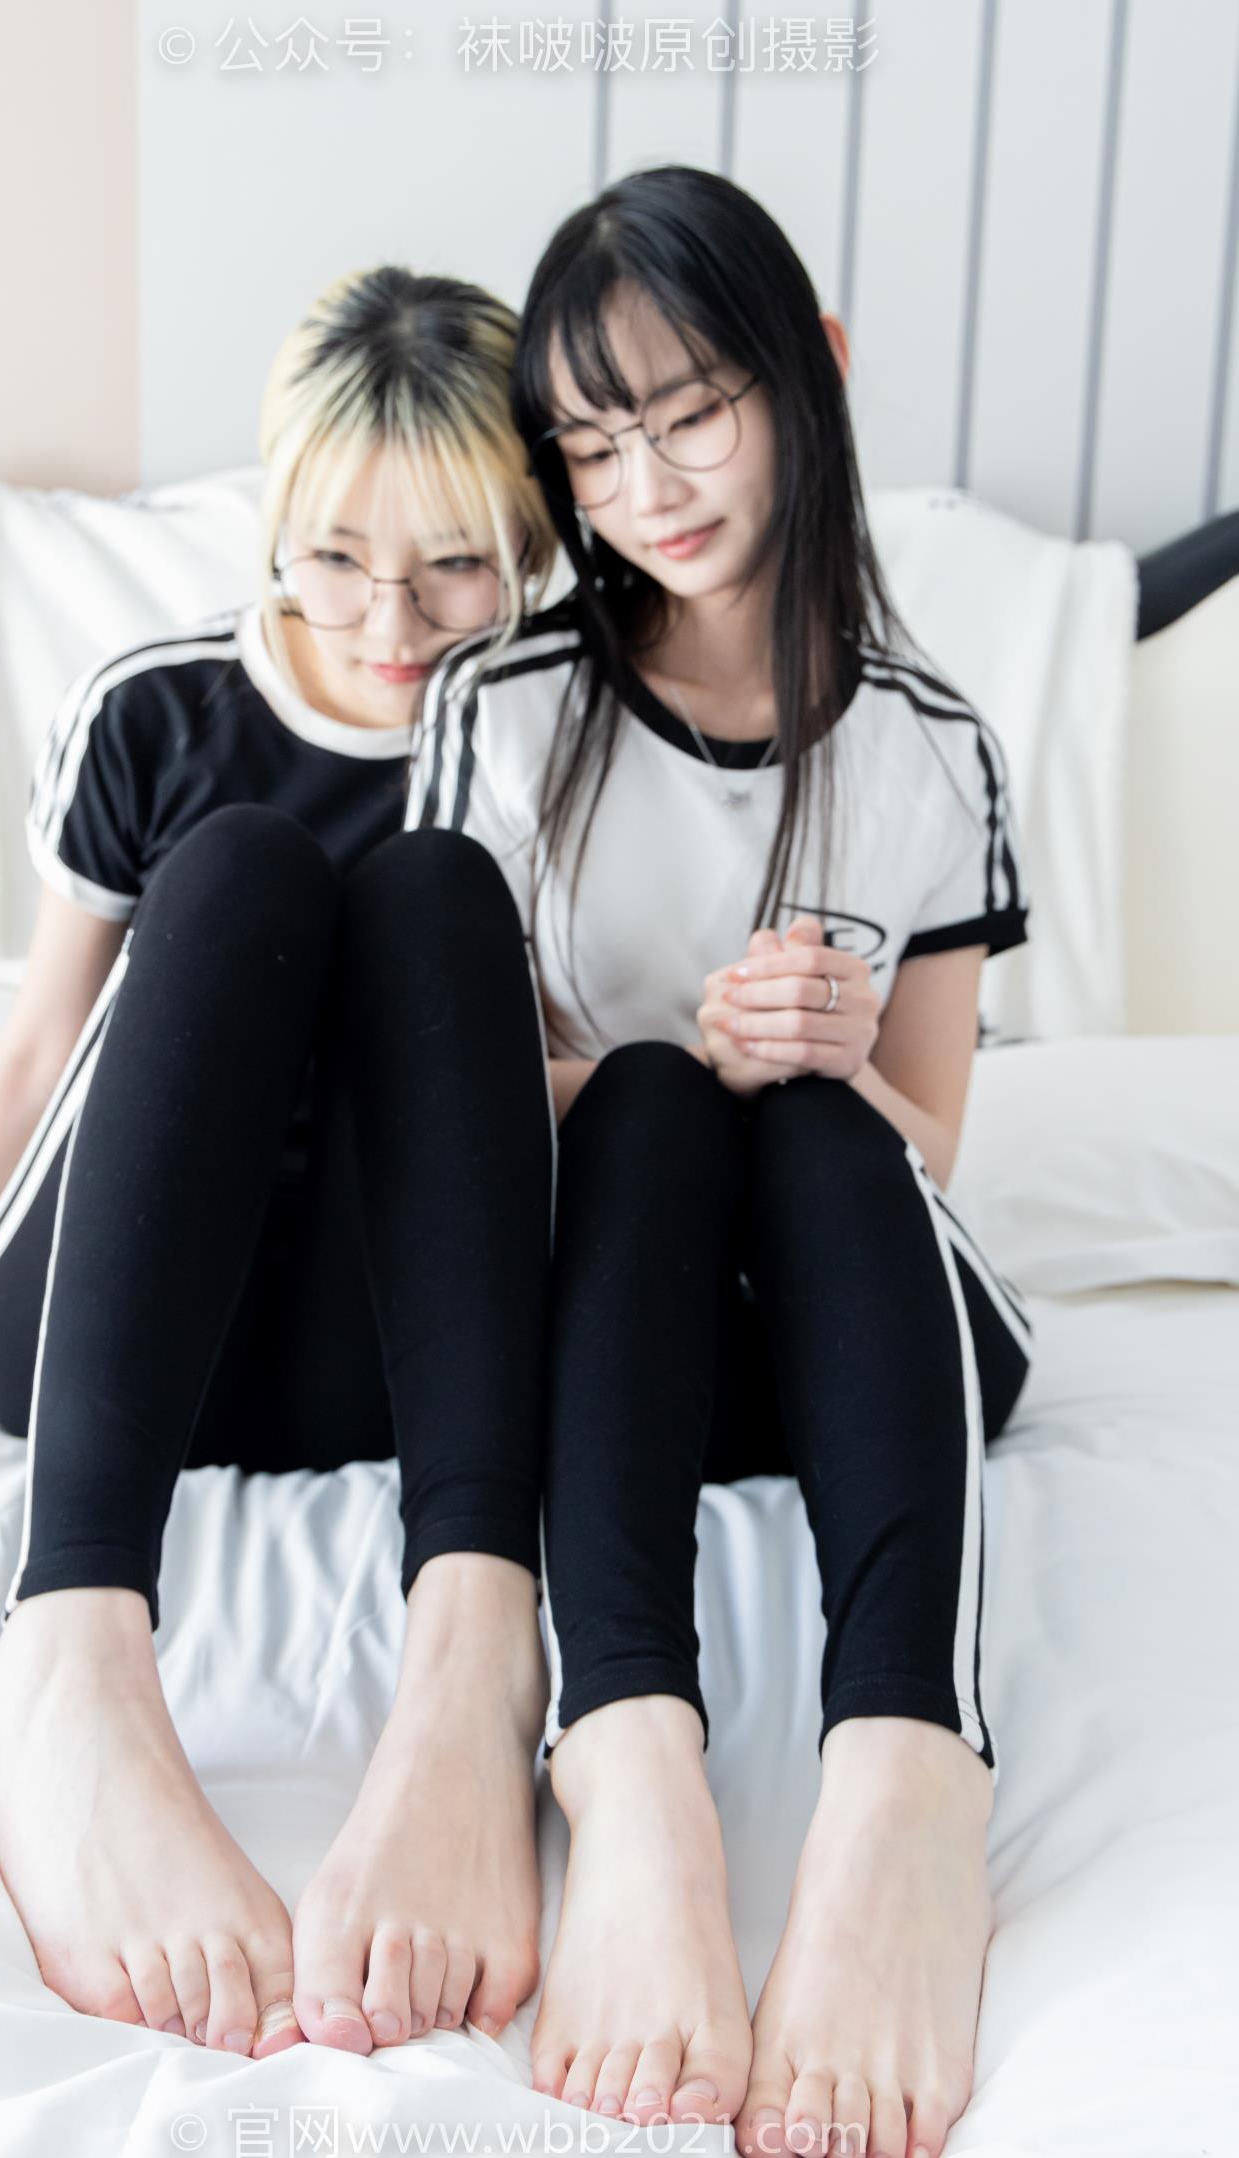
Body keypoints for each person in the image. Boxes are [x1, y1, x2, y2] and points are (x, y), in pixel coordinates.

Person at [0, 266, 565, 2065]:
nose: (391, 621)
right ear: (275, 523)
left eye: (456, 567)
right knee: (238, 872)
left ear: (528, 546)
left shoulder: (550, 728)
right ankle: (74, 1645)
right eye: (336, 559)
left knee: (430, 897)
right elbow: (38, 1047)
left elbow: (532, 1094)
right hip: (116, 1314)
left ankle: (472, 1658)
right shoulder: (155, 708)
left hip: (368, 1341)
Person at [406, 165, 1033, 2158]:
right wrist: (666, 1061)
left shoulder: (934, 749)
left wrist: (832, 1058)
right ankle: (634, 1760)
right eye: (593, 446)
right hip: (612, 1323)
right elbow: (453, 1120)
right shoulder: (507, 709)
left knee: (826, 1123)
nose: (646, 486)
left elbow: (933, 1146)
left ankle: (906, 1769)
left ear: (809, 371)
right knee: (668, 1103)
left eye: (689, 414)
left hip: (854, 1339)